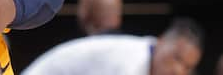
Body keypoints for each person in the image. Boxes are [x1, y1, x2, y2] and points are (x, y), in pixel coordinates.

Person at [23, 18, 203, 75]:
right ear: (161, 41)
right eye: (177, 58)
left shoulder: (147, 54)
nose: (179, 71)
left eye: (187, 67)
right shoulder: (131, 61)